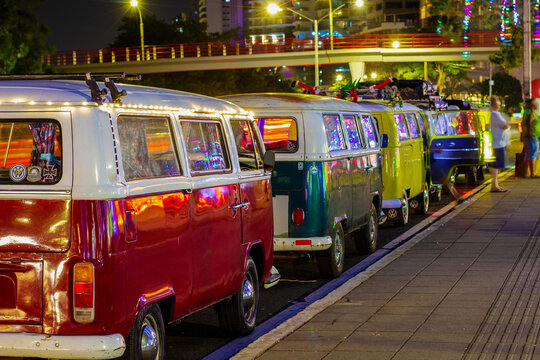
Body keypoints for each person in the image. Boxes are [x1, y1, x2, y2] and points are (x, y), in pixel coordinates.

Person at [489, 95, 510, 192]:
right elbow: (505, 125)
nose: (499, 105)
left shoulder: (492, 114)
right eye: (498, 103)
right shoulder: (495, 114)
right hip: (498, 143)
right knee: (496, 165)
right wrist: (508, 122)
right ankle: (494, 185)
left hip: (496, 142)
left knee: (496, 165)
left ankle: (495, 184)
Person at [522, 98, 540, 178]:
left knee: (527, 155)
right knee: (533, 155)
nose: (537, 104)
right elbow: (530, 123)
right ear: (532, 104)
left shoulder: (527, 112)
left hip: (528, 136)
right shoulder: (531, 113)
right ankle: (533, 173)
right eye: (536, 103)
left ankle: (526, 173)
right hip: (532, 136)